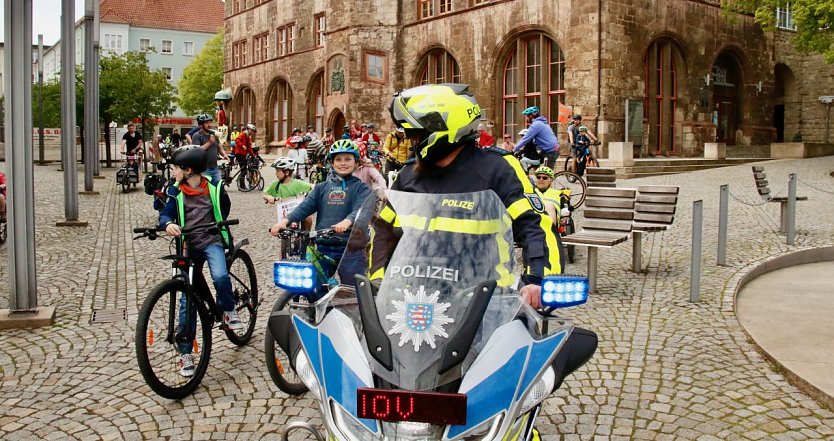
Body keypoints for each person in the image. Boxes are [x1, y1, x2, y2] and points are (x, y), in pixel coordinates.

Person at [374, 83, 594, 395]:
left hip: (487, 301)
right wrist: (377, 281)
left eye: (414, 134)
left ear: (444, 129)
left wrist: (537, 281)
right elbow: (382, 231)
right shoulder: (410, 175)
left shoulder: (496, 168)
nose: (408, 142)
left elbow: (535, 226)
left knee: (496, 398)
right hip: (418, 301)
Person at [158, 145, 242, 377]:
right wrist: (167, 224)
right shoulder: (175, 191)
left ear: (188, 169)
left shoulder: (214, 188)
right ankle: (186, 353)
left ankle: (229, 310)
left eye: (176, 168)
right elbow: (166, 212)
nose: (173, 172)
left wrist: (218, 224)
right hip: (189, 245)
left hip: (211, 240)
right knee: (187, 300)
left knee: (220, 275)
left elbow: (224, 209)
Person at [269, 139, 372, 297]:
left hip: (351, 248)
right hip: (324, 247)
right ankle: (322, 313)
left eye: (347, 159)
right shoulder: (322, 187)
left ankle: (355, 317)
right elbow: (304, 207)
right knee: (311, 285)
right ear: (331, 162)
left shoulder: (362, 188)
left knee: (354, 293)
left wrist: (347, 221)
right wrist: (285, 221)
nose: (342, 163)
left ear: (356, 162)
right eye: (338, 159)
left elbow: (361, 210)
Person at [191, 114, 228, 182]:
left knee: (217, 188)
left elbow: (219, 147)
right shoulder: (197, 135)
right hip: (204, 169)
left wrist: (224, 155)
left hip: (215, 168)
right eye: (207, 123)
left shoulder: (214, 134)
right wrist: (210, 142)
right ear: (201, 125)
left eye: (210, 122)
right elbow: (197, 151)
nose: (209, 125)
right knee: (206, 190)